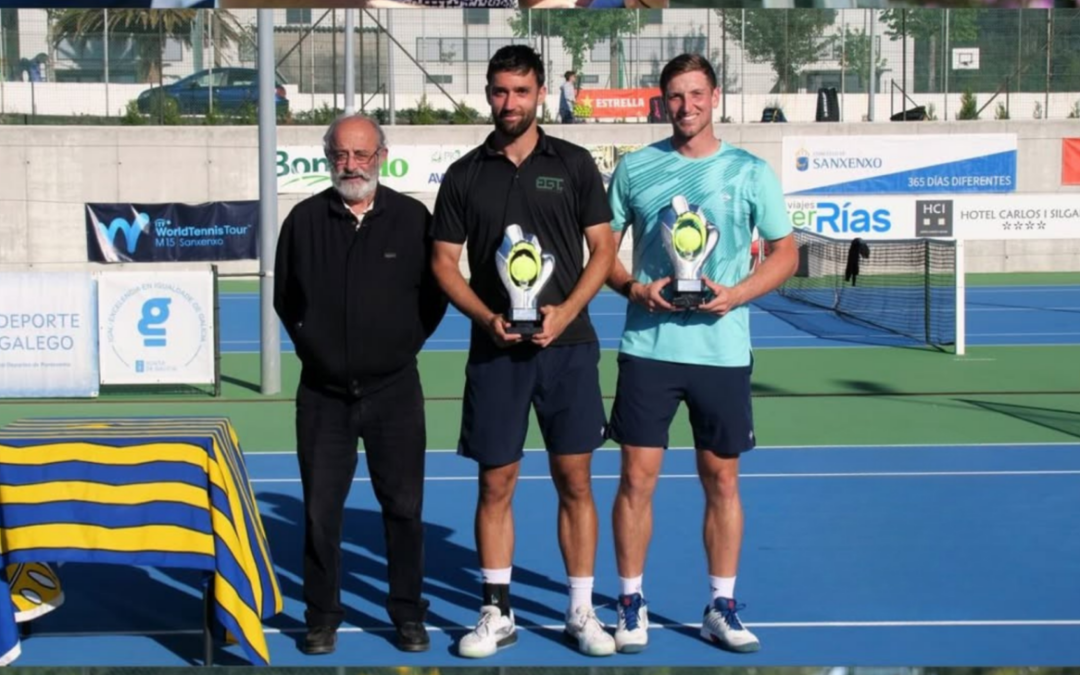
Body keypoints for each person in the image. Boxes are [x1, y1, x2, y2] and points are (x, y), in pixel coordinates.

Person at [603, 53, 798, 655]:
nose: (685, 107)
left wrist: (736, 294)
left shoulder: (749, 171)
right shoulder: (635, 169)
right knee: (636, 478)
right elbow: (600, 254)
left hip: (722, 351)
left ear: (715, 97)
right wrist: (634, 287)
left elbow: (787, 253)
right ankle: (631, 603)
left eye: (695, 95)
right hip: (648, 347)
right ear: (661, 103)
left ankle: (721, 604)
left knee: (722, 479)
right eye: (674, 97)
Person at [430, 44, 617, 659]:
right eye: (498, 91)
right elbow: (443, 264)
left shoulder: (574, 163)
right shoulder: (464, 174)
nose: (508, 103)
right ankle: (497, 611)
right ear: (488, 94)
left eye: (520, 91)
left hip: (569, 348)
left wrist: (567, 312)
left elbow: (603, 249)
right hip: (496, 351)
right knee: (496, 483)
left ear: (541, 93)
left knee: (575, 480)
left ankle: (581, 610)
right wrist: (485, 316)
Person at [273, 113, 448, 656]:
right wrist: (316, 352)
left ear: (381, 156)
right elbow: (286, 299)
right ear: (329, 158)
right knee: (321, 514)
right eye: (340, 155)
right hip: (322, 397)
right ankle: (322, 616)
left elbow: (433, 299)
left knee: (404, 511)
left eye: (362, 155)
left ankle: (407, 615)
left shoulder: (413, 218)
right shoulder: (302, 220)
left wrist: (400, 348)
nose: (351, 166)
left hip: (394, 393)